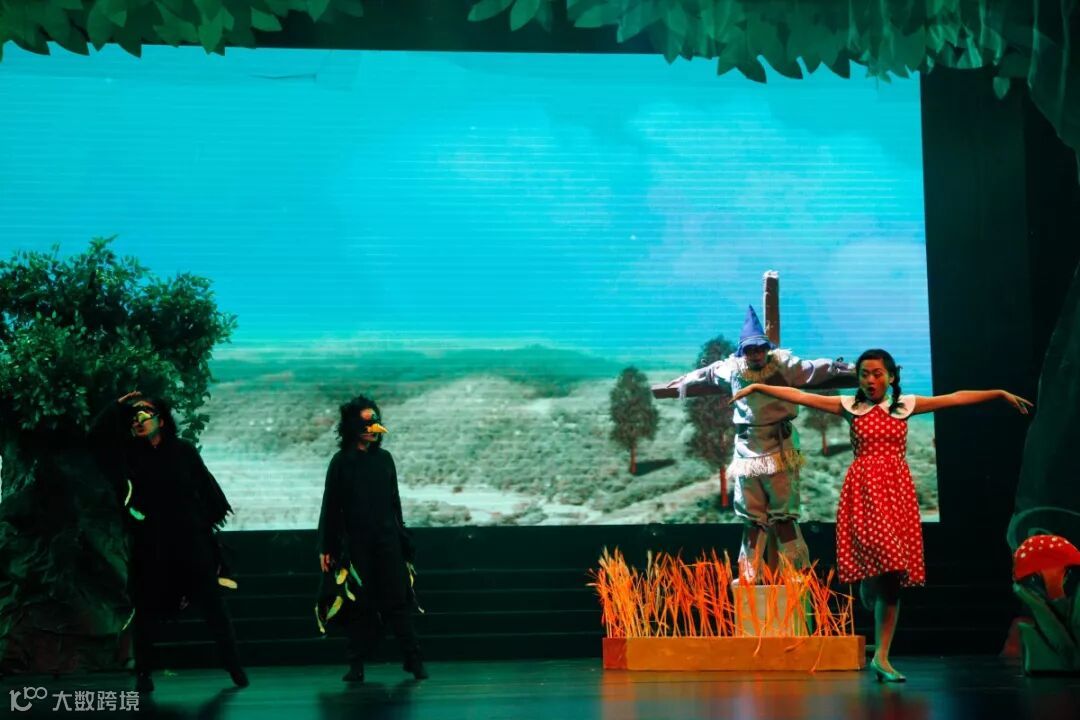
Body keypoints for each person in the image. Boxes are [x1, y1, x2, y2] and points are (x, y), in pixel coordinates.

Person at [730, 349, 1032, 681]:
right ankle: (870, 582)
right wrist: (758, 387)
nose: (870, 380)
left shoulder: (904, 406)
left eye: (877, 374)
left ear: (890, 377)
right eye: (864, 374)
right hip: (863, 492)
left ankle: (882, 657)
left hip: (896, 494)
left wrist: (998, 393)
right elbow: (800, 396)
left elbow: (955, 398)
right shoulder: (851, 407)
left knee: (892, 573)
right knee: (883, 562)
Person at [673, 306, 855, 580]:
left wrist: (846, 368)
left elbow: (813, 369)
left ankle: (798, 575)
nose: (756, 354)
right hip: (748, 450)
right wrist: (686, 380)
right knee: (752, 519)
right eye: (750, 350)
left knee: (784, 518)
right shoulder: (733, 369)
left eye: (760, 348)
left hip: (779, 447)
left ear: (767, 349)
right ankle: (749, 577)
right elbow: (709, 372)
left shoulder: (784, 365)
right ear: (742, 351)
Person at [91, 391, 248, 693]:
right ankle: (143, 672)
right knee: (145, 607)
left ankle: (233, 665)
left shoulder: (182, 450)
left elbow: (206, 487)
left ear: (161, 420)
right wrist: (118, 405)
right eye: (133, 417)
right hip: (152, 542)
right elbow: (96, 439)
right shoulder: (128, 454)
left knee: (213, 605)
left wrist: (202, 526)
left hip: (190, 539)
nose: (138, 420)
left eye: (144, 414)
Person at [316, 395, 427, 683]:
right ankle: (356, 665)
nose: (373, 428)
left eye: (375, 421)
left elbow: (394, 504)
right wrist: (326, 547)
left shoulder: (385, 460)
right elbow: (331, 507)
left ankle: (413, 660)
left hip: (388, 542)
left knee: (398, 600)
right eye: (366, 423)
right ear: (351, 426)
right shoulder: (341, 462)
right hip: (357, 545)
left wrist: (403, 540)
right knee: (358, 603)